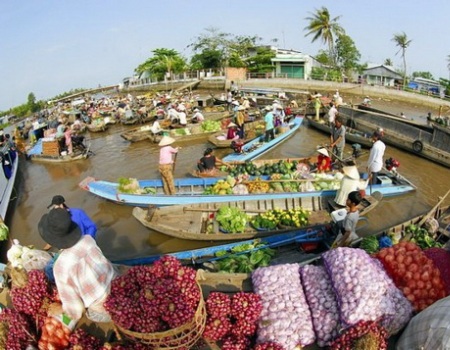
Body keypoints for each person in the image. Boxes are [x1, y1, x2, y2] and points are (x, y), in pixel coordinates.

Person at [38, 208, 116, 322]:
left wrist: (60, 309)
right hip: (115, 286)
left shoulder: (60, 267)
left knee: (86, 314)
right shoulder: (88, 239)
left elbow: (77, 310)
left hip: (104, 310)